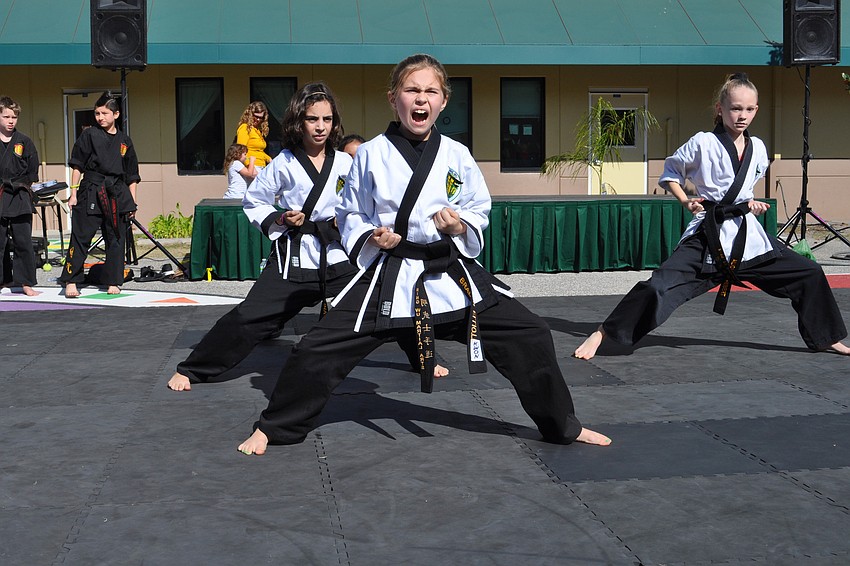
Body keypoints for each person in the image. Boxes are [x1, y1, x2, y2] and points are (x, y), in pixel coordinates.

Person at [238, 54, 611, 455]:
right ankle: (275, 426)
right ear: (393, 98)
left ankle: (562, 426)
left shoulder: (456, 154)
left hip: (448, 271)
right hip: (390, 276)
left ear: (444, 101)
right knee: (316, 348)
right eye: (411, 90)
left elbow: (477, 205)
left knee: (530, 333)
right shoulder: (370, 154)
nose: (421, 99)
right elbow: (350, 211)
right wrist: (369, 234)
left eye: (430, 91)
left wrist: (459, 226)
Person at [167, 83, 445, 392]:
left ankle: (423, 358)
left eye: (327, 119)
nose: (321, 127)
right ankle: (194, 368)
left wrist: (362, 225)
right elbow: (255, 200)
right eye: (313, 119)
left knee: (388, 298)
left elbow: (370, 200)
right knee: (250, 317)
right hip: (296, 257)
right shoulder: (283, 162)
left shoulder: (345, 162)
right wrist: (281, 217)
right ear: (299, 122)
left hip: (339, 254)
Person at [574, 73, 850, 360]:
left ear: (756, 110)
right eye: (735, 108)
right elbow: (670, 174)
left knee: (809, 272)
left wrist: (751, 203)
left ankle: (825, 338)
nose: (742, 116)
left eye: (749, 109)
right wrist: (686, 200)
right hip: (708, 235)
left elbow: (742, 188)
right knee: (658, 286)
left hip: (746, 237)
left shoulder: (758, 149)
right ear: (720, 108)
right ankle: (603, 333)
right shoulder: (703, 143)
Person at [59, 92, 139, 298]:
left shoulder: (125, 141)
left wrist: (132, 203)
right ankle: (71, 280)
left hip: (117, 192)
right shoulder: (89, 135)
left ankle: (113, 280)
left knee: (115, 238)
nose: (100, 117)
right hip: (91, 189)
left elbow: (132, 176)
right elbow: (77, 166)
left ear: (116, 114)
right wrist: (73, 193)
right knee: (81, 237)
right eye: (97, 113)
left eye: (104, 113)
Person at [0, 96, 40, 296]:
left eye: (14, 117)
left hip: (19, 195)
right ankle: (3, 280)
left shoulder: (24, 141)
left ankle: (25, 282)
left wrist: (24, 185)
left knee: (23, 241)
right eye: (6, 116)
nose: (10, 121)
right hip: (0, 194)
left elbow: (33, 170)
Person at [235, 101, 272, 169]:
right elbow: (240, 151)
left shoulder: (257, 130)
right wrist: (250, 167)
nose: (258, 119)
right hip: (251, 167)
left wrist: (269, 159)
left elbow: (259, 152)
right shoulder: (245, 127)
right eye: (256, 116)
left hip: (262, 166)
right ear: (250, 114)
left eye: (261, 117)